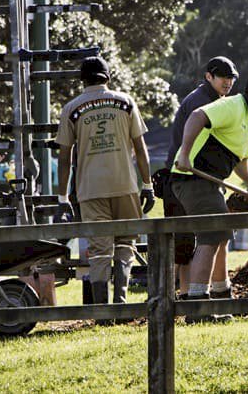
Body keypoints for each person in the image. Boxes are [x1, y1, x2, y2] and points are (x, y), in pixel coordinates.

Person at [171, 67, 248, 310]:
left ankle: (222, 294)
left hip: (209, 183)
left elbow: (241, 160)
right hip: (190, 179)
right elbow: (197, 116)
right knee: (212, 234)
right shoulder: (233, 106)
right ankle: (198, 304)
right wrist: (186, 154)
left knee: (223, 235)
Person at [55, 56, 155, 312]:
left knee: (100, 251)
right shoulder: (126, 102)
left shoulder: (71, 108)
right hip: (126, 186)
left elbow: (64, 157)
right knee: (125, 243)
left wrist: (62, 197)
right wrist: (148, 184)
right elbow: (140, 149)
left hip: (91, 190)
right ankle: (120, 302)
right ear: (108, 77)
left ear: (82, 80)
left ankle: (101, 309)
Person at [158, 56, 238, 300]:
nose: (228, 82)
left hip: (201, 179)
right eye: (222, 77)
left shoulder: (217, 101)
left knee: (202, 239)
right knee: (184, 244)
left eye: (231, 78)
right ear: (208, 77)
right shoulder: (200, 102)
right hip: (181, 177)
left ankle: (195, 293)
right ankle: (183, 297)